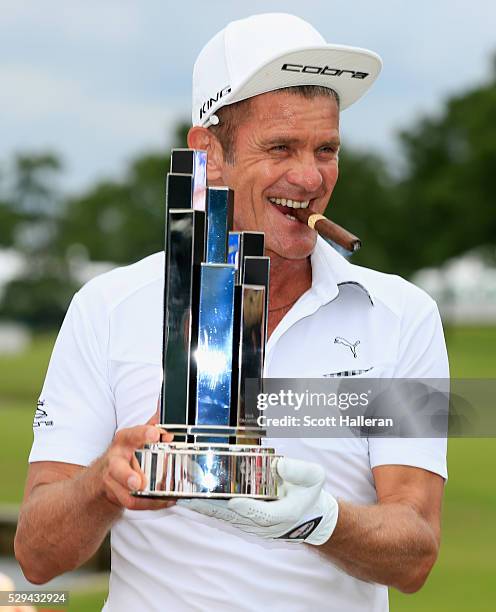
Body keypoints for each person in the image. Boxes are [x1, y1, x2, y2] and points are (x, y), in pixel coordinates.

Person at [14, 13, 449, 612]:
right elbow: (37, 555)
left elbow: (417, 549)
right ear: (209, 153)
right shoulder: (107, 308)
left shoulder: (403, 315)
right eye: (280, 148)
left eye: (327, 149)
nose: (310, 177)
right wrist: (104, 484)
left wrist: (317, 519)